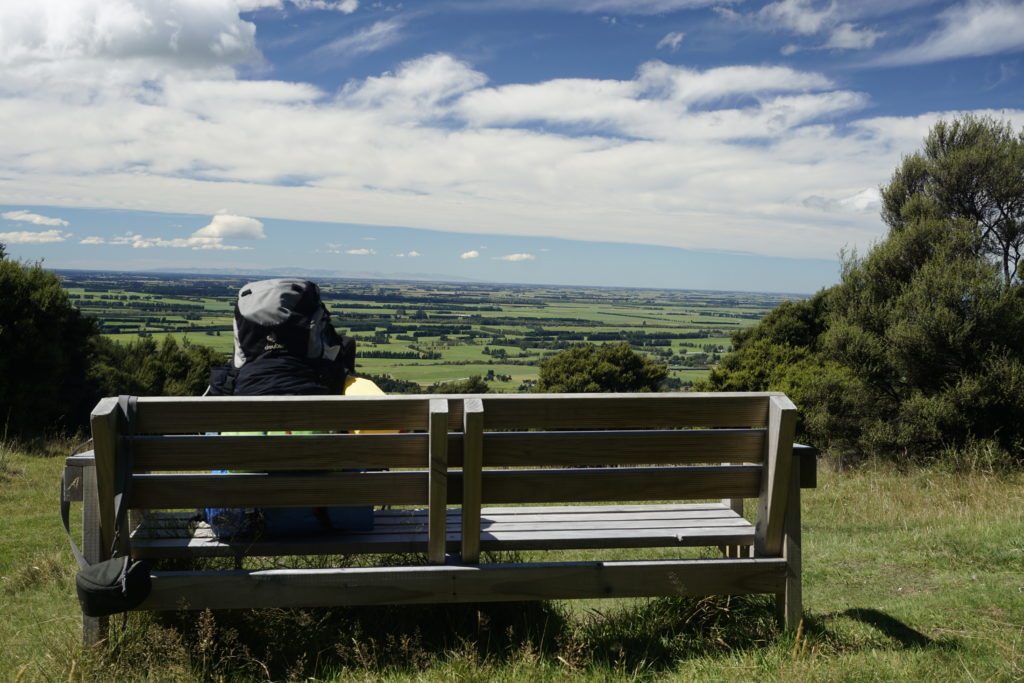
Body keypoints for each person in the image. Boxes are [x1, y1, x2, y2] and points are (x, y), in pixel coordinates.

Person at [204, 278, 383, 538]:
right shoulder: (335, 381)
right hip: (329, 521)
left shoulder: (229, 384)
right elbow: (390, 433)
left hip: (242, 523)